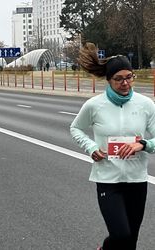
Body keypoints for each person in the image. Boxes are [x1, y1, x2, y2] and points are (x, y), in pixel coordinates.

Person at [70, 43, 155, 250]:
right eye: (119, 79)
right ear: (108, 80)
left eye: (129, 77)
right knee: (121, 234)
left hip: (136, 179)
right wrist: (91, 147)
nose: (125, 83)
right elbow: (76, 128)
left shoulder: (146, 104)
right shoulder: (94, 105)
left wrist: (143, 144)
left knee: (131, 239)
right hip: (107, 178)